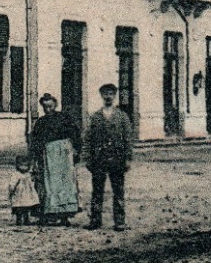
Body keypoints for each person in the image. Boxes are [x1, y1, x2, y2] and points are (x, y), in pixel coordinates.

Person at [83, 83, 135, 230]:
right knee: (97, 191)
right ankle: (95, 220)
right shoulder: (95, 117)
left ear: (115, 96)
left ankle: (119, 221)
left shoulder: (122, 116)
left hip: (117, 158)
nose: (108, 97)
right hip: (99, 158)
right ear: (101, 96)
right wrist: (88, 157)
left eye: (111, 94)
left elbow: (128, 139)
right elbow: (88, 139)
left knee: (118, 190)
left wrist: (128, 158)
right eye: (105, 94)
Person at [29, 93, 81, 226]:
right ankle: (47, 214)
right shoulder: (41, 122)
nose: (48, 109)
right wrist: (35, 156)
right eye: (45, 107)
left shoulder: (65, 118)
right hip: (48, 155)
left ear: (55, 104)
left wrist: (76, 149)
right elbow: (35, 141)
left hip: (64, 153)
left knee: (65, 183)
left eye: (50, 106)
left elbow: (75, 134)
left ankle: (64, 215)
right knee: (48, 184)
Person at [7, 156, 41, 225]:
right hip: (19, 194)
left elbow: (33, 181)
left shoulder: (28, 174)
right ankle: (18, 220)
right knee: (19, 209)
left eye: (26, 165)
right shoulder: (16, 175)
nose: (24, 167)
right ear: (17, 165)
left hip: (28, 194)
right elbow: (12, 183)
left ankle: (26, 220)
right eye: (21, 165)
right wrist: (11, 190)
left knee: (27, 208)